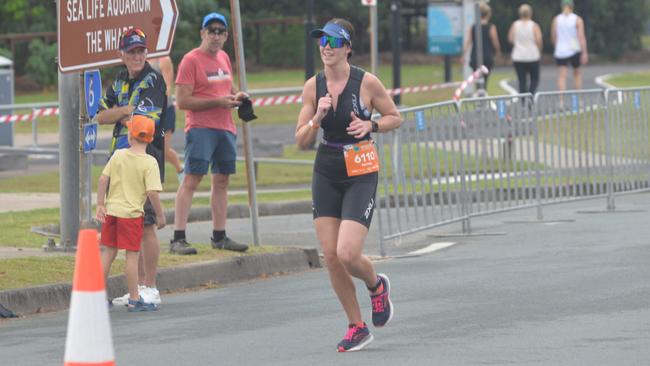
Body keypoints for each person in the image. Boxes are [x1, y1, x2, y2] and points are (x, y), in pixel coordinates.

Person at [296, 18, 402, 352]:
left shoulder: (366, 82)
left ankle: (376, 285)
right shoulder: (313, 86)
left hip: (360, 169)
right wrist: (317, 118)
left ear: (347, 47)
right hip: (326, 168)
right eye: (322, 41)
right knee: (330, 255)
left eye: (333, 41)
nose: (326, 47)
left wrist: (371, 125)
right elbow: (301, 141)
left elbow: (394, 116)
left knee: (347, 253)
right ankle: (357, 325)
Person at [96, 28, 167, 305]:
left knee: (146, 223)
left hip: (144, 159)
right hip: (119, 160)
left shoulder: (154, 79)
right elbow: (101, 116)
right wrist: (126, 111)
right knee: (128, 224)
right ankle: (135, 288)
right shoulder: (119, 80)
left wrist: (124, 114)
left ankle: (150, 286)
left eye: (141, 51)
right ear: (122, 54)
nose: (137, 56)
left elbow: (145, 125)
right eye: (132, 51)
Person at [169, 12, 249, 255]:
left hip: (225, 127)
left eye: (220, 32)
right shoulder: (190, 61)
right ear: (202, 32)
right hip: (201, 127)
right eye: (211, 30)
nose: (216, 35)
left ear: (225, 36)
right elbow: (182, 101)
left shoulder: (224, 57)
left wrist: (238, 96)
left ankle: (219, 235)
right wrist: (217, 102)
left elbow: (227, 86)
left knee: (222, 181)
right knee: (192, 179)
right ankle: (178, 237)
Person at [95, 115, 165, 312]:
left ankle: (98, 296)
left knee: (108, 252)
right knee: (131, 257)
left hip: (112, 212)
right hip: (132, 215)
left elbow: (102, 180)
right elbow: (152, 193)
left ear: (130, 136)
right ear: (150, 139)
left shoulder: (118, 155)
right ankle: (135, 297)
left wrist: (100, 204)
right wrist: (160, 216)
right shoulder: (149, 163)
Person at [150, 56, 185, 183]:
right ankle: (151, 180)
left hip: (164, 111)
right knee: (147, 147)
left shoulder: (164, 60)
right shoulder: (141, 58)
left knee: (163, 147)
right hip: (148, 112)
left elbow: (167, 88)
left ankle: (180, 171)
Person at [462, 2, 501, 90]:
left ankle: (479, 95)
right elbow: (495, 41)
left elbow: (468, 42)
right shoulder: (491, 27)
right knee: (485, 79)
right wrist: (498, 52)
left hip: (475, 56)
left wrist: (464, 55)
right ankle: (483, 95)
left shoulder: (473, 27)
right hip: (487, 56)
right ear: (488, 14)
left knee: (477, 79)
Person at [551, 0, 588, 91]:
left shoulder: (556, 19)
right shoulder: (577, 19)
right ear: (572, 6)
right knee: (577, 74)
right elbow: (581, 37)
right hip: (574, 48)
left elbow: (553, 35)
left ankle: (561, 101)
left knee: (562, 76)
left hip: (561, 49)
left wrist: (556, 46)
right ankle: (577, 99)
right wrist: (584, 52)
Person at [508, 4, 543, 95]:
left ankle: (523, 99)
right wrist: (539, 50)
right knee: (534, 78)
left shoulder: (515, 25)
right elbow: (538, 40)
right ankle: (531, 94)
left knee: (522, 80)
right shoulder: (534, 25)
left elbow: (510, 38)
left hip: (518, 55)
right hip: (532, 55)